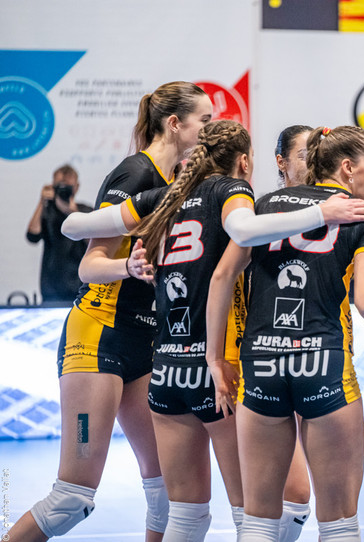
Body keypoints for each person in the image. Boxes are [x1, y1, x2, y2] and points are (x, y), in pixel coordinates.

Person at [60, 120, 364, 542]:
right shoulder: (235, 194)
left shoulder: (164, 198)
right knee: (267, 512)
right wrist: (324, 211)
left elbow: (71, 227)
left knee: (187, 516)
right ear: (246, 161)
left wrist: (126, 266)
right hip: (219, 373)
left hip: (166, 369)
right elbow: (238, 245)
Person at [206, 125, 364, 542]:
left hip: (261, 362)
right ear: (348, 168)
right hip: (324, 364)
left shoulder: (264, 204)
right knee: (338, 524)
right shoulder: (361, 216)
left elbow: (223, 276)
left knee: (258, 520)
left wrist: (214, 357)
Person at [8, 80, 214, 542]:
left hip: (145, 345)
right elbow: (89, 265)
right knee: (72, 499)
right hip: (98, 336)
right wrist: (131, 265)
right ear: (175, 123)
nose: (211, 127)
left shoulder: (174, 184)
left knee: (169, 492)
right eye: (205, 119)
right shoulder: (136, 174)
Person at [25, 164, 92, 304]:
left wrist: (72, 212)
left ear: (76, 187)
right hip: (50, 288)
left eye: (67, 186)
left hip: (80, 288)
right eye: (59, 186)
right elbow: (32, 236)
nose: (63, 190)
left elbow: (93, 241)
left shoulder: (85, 212)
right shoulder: (47, 212)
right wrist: (41, 202)